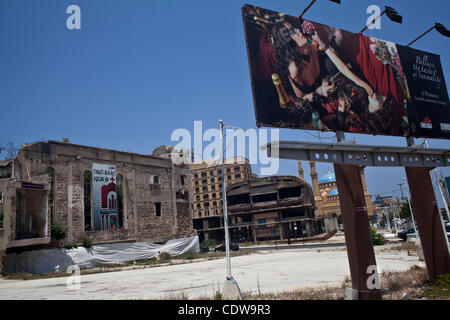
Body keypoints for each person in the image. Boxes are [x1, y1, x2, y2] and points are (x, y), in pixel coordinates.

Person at [271, 19, 386, 130]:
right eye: (292, 32)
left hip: (335, 90)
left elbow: (341, 67)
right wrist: (319, 91)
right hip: (319, 106)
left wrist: (364, 85)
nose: (298, 30)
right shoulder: (294, 69)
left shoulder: (310, 47)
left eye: (294, 28)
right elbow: (301, 100)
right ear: (288, 42)